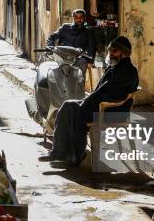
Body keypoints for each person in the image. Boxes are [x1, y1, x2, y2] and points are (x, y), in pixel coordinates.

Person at [40, 36, 139, 167]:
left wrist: (87, 102)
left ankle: (75, 156)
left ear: (124, 53)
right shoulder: (114, 67)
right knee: (67, 106)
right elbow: (102, 92)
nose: (111, 53)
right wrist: (88, 101)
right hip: (100, 105)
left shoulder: (127, 71)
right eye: (110, 51)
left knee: (76, 113)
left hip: (112, 110)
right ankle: (59, 151)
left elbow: (113, 95)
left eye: (114, 51)